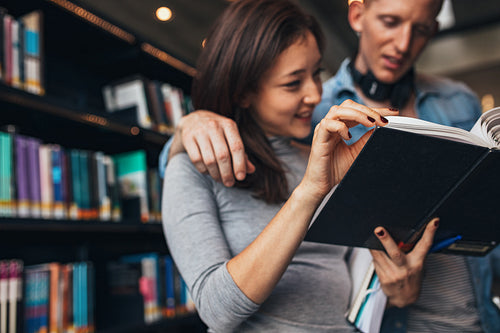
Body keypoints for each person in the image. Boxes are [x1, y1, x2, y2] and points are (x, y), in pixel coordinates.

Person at [160, 0, 500, 332]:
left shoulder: (311, 146)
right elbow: (181, 170)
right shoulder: (321, 127)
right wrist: (187, 126)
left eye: (316, 74)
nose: (312, 93)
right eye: (293, 83)